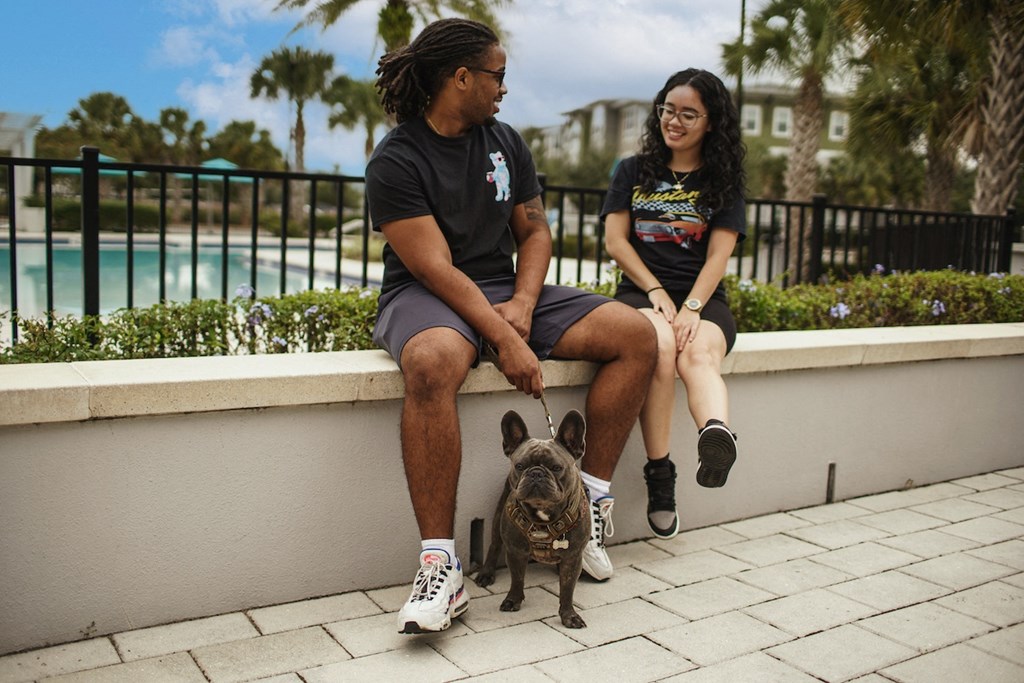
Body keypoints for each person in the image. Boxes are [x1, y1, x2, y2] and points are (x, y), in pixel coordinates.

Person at [366, 18, 657, 634]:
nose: (504, 87)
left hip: (504, 290)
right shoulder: (397, 158)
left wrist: (523, 306)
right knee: (431, 363)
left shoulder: (505, 143)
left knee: (636, 335)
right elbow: (434, 267)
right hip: (425, 294)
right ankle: (441, 568)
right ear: (461, 77)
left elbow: (534, 230)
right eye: (497, 76)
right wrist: (503, 338)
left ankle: (588, 506)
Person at [602, 68, 747, 540]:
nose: (674, 121)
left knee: (698, 352)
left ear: (711, 122)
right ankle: (660, 475)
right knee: (662, 348)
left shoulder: (722, 179)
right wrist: (658, 293)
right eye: (668, 110)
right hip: (640, 295)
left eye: (688, 114)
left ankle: (716, 435)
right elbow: (616, 242)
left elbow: (720, 253)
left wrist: (694, 306)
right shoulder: (633, 171)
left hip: (705, 299)